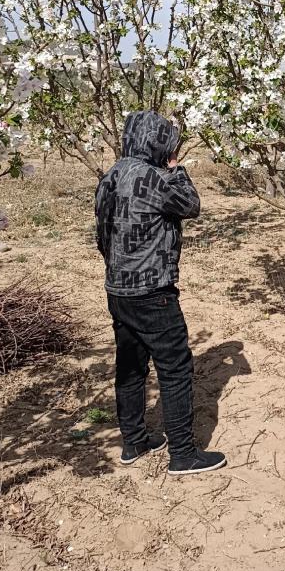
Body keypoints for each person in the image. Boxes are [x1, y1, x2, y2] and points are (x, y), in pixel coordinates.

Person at [95, 109, 227, 476]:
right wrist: (175, 168)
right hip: (153, 292)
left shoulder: (109, 177)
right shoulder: (155, 178)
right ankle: (183, 454)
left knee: (131, 366)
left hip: (117, 289)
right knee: (175, 368)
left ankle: (134, 441)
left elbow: (101, 236)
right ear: (157, 142)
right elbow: (192, 205)